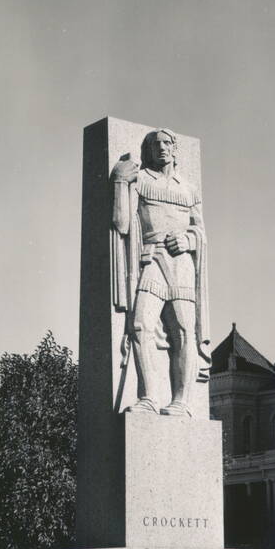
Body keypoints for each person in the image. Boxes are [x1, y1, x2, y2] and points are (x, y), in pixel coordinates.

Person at [112, 127, 210, 417]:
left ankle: (182, 400)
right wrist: (119, 179)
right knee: (140, 324)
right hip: (151, 259)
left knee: (183, 330)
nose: (162, 148)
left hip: (181, 264)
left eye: (167, 143)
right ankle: (149, 397)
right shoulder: (140, 180)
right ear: (148, 150)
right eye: (155, 144)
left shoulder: (188, 189)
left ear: (175, 149)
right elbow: (121, 224)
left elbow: (201, 234)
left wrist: (189, 240)